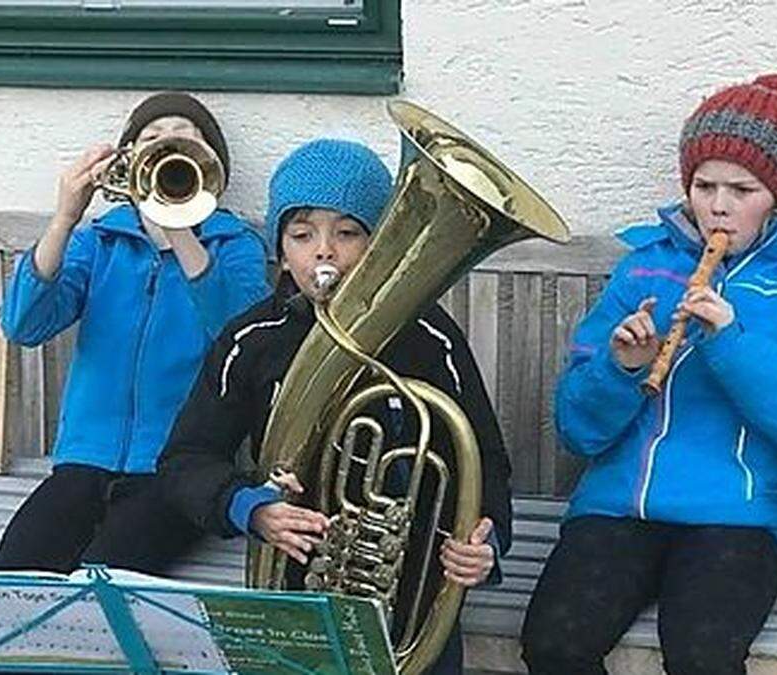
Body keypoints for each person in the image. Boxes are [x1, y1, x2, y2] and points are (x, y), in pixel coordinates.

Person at [520, 74, 777, 675]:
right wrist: (621, 369)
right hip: (621, 510)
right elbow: (578, 432)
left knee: (701, 657)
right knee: (554, 644)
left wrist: (732, 344)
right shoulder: (645, 269)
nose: (718, 205)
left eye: (742, 188)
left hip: (740, 520)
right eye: (704, 185)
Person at [157, 138, 514, 674]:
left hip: (414, 590)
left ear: (380, 244)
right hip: (294, 580)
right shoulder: (250, 339)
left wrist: (486, 541)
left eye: (347, 232)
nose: (324, 251)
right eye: (302, 234)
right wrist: (249, 507)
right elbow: (185, 460)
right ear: (280, 250)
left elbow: (484, 460)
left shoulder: (428, 336)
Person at [0, 92, 270, 576]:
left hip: (178, 472)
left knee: (103, 583)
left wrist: (178, 225)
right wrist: (65, 218)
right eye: (151, 138)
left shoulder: (234, 245)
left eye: (184, 136)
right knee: (11, 577)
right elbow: (23, 325)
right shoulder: (98, 241)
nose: (166, 145)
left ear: (210, 161)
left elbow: (241, 338)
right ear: (129, 161)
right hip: (82, 462)